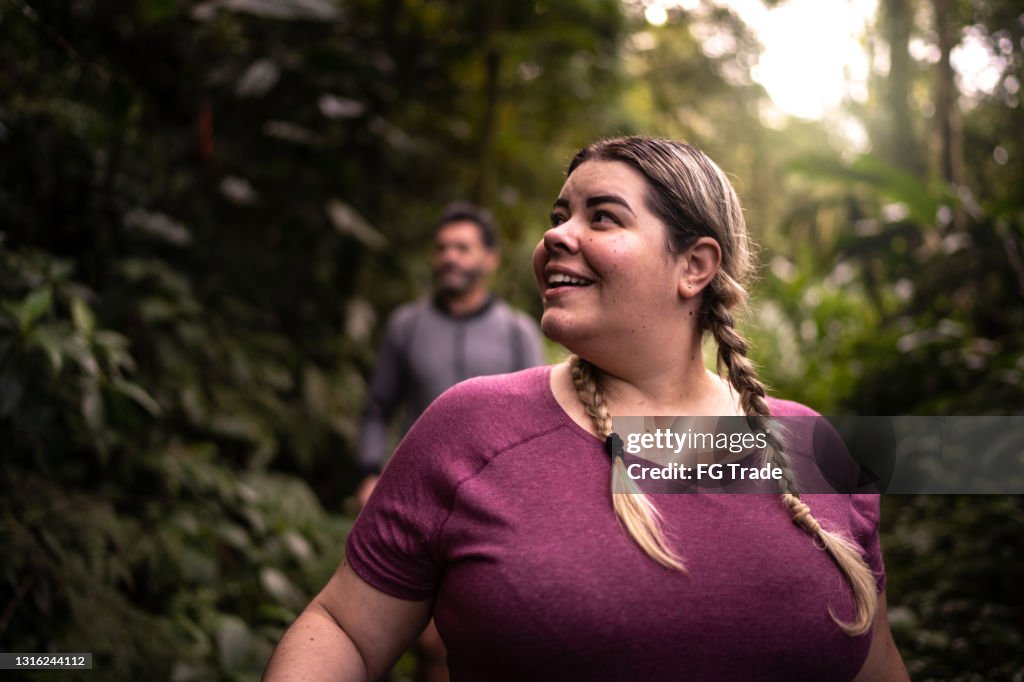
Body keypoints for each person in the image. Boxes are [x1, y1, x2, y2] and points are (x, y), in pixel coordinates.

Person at [265, 137, 908, 681]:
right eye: (560, 213)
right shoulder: (471, 427)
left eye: (601, 217)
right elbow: (344, 628)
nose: (555, 235)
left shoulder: (812, 448)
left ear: (694, 266)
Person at [355, 201, 545, 505]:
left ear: (490, 259)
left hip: (494, 495)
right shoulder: (407, 325)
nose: (449, 257)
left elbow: (537, 421)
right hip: (415, 490)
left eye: (462, 248)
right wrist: (369, 471)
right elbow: (378, 407)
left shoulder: (517, 332)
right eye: (442, 248)